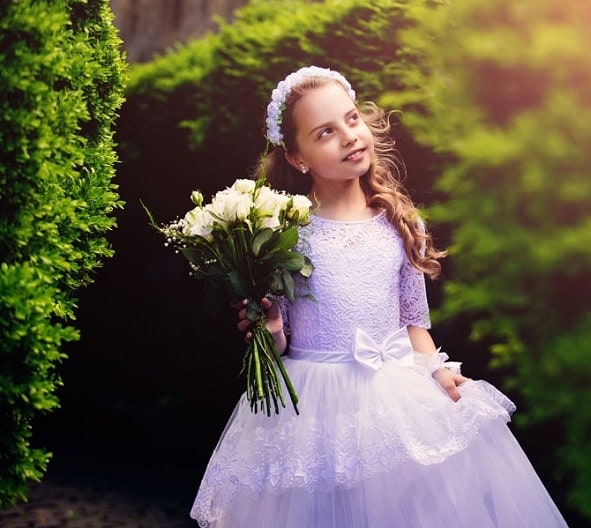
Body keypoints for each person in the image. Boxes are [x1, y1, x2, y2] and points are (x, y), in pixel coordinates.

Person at [190, 65, 569, 527]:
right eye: (325, 132)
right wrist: (270, 329)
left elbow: (414, 323)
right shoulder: (285, 233)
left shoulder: (400, 223)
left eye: (352, 119)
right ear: (297, 157)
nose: (349, 136)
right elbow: (281, 342)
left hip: (396, 401)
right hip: (313, 409)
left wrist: (437, 371)